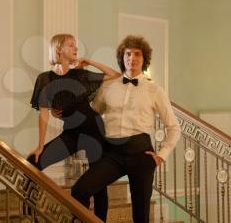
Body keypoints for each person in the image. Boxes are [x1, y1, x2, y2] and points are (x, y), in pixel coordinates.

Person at [70, 35, 181, 223]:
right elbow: (93, 114)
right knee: (79, 190)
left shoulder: (155, 90)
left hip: (141, 153)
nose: (132, 58)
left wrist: (162, 154)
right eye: (128, 54)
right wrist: (69, 108)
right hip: (112, 153)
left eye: (138, 54)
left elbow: (174, 127)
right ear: (122, 58)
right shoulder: (108, 86)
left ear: (144, 59)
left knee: (140, 216)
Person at [27, 33, 120, 222]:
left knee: (98, 184)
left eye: (75, 46)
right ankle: (31, 216)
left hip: (94, 130)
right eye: (71, 45)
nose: (76, 49)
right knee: (32, 162)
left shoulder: (81, 74)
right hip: (72, 133)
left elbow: (116, 76)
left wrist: (90, 61)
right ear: (58, 49)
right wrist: (40, 145)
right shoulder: (45, 79)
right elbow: (44, 113)